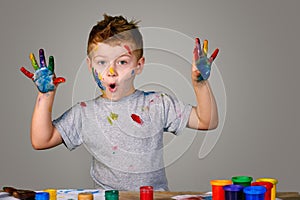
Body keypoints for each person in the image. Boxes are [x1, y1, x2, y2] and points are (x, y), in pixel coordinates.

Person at [20, 14, 219, 191]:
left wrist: (200, 84)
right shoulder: (84, 113)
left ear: (139, 65)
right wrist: (45, 96)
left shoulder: (157, 104)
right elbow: (41, 140)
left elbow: (206, 121)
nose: (111, 71)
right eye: (101, 62)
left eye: (122, 62)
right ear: (90, 65)